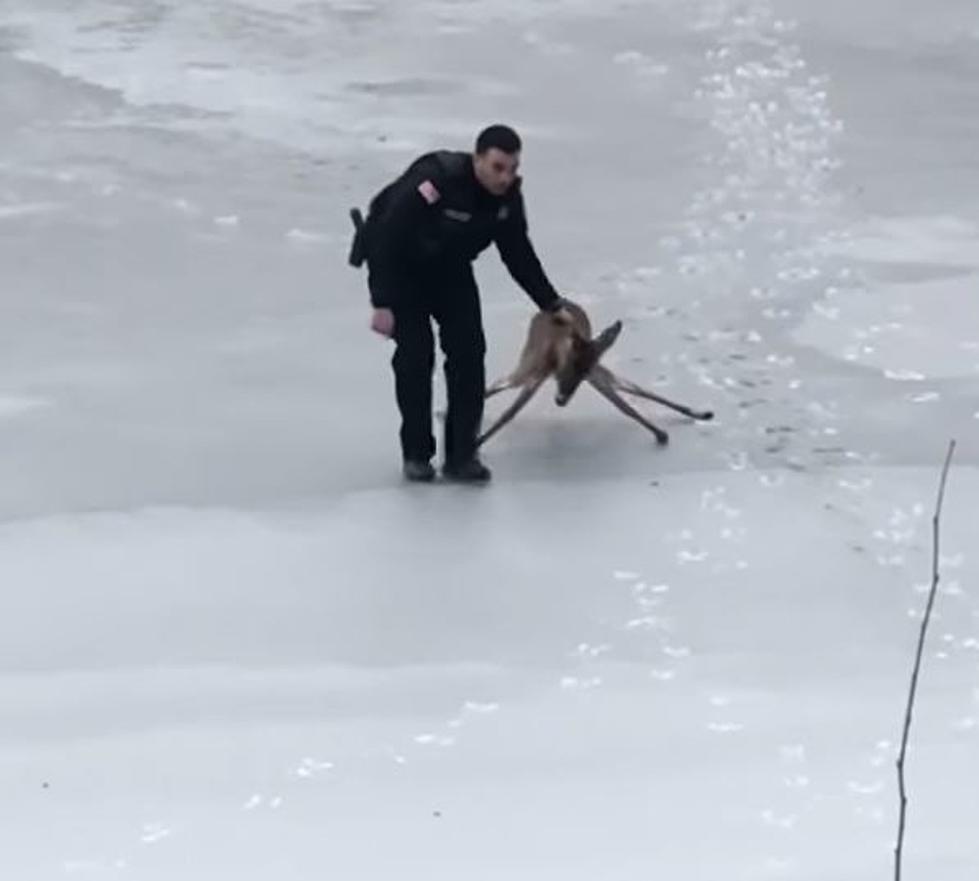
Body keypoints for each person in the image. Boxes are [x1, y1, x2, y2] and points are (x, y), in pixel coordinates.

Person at [350, 124, 566, 483]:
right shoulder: (438, 180)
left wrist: (550, 302)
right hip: (402, 270)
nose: (505, 177)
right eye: (497, 167)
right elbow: (385, 237)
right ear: (478, 159)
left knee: (469, 354)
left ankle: (462, 455)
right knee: (416, 358)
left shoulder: (507, 198)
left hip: (450, 270)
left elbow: (518, 253)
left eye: (512, 169)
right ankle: (417, 455)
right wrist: (383, 303)